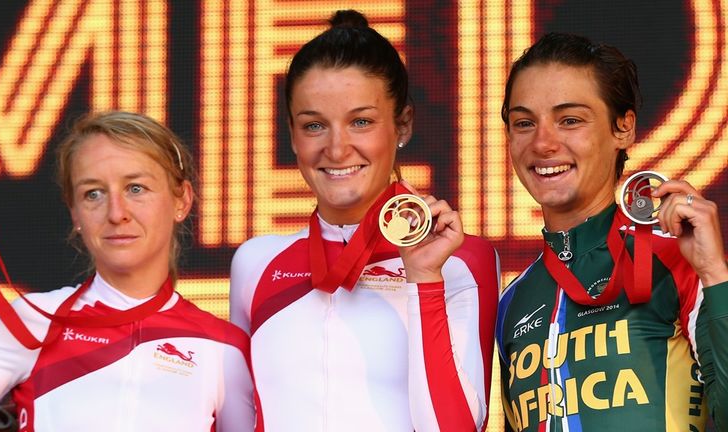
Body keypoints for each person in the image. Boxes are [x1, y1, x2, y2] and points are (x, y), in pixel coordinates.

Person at [229, 9, 500, 432]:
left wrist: (425, 278)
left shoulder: (462, 258)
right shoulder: (255, 262)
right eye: (314, 125)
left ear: (402, 124)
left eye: (361, 122)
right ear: (292, 134)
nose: (337, 150)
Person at [0, 111, 255, 431]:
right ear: (75, 212)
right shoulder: (32, 322)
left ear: (181, 200)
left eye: (136, 188)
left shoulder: (224, 348)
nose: (116, 213)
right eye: (93, 194)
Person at [496, 32, 728, 431]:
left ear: (623, 128)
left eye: (570, 120)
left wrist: (715, 274)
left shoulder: (678, 261)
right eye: (524, 123)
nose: (543, 142)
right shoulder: (512, 302)